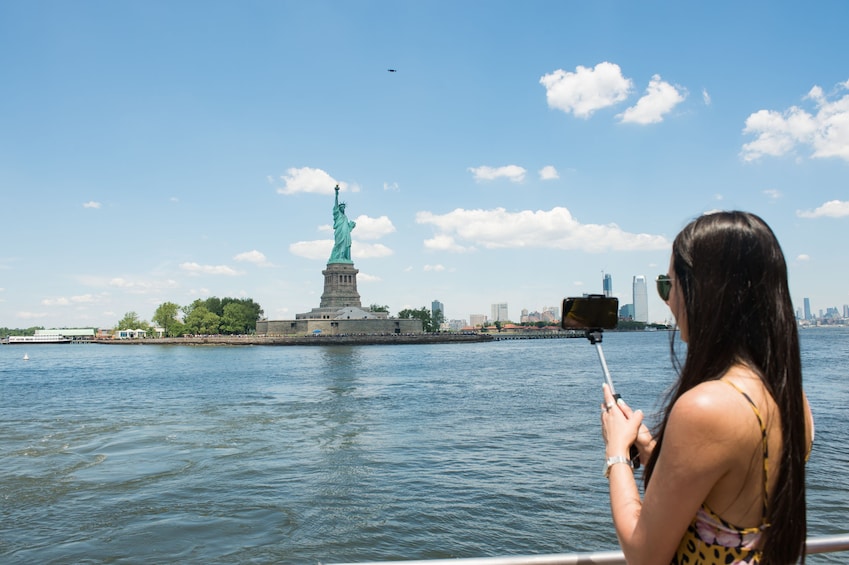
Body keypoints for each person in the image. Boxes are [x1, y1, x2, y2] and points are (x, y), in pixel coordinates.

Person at [601, 211, 813, 564]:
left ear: (704, 291)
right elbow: (727, 501)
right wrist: (651, 447)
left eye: (668, 285)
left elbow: (644, 554)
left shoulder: (707, 406)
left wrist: (617, 451)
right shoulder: (789, 396)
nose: (667, 301)